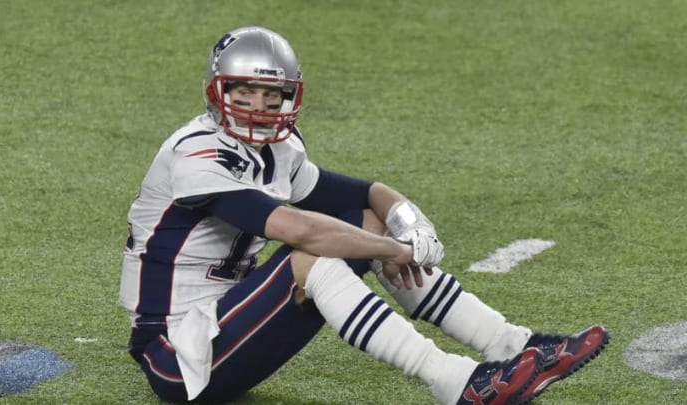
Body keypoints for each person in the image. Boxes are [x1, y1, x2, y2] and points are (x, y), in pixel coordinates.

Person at [119, 26, 609, 405]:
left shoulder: (278, 149)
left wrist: (407, 219)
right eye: (245, 92)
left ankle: (511, 344)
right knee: (310, 257)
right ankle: (456, 382)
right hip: (176, 354)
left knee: (363, 220)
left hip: (230, 325)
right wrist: (391, 249)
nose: (260, 106)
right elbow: (299, 228)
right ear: (217, 91)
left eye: (273, 95)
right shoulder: (196, 154)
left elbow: (366, 194)